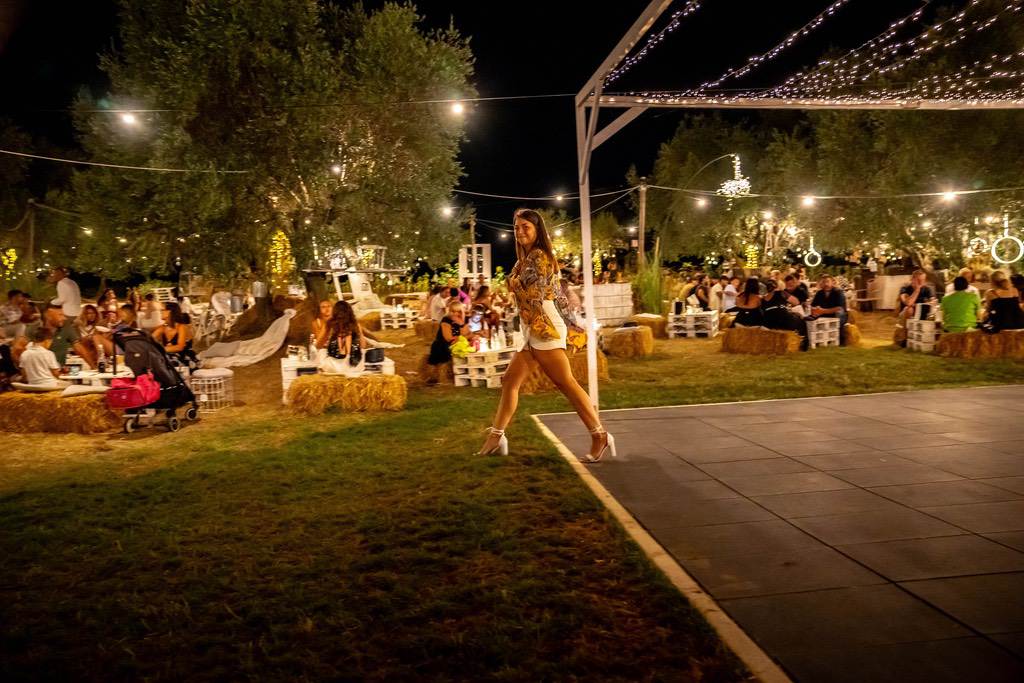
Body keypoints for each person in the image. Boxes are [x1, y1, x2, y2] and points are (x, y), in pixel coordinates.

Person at [476, 208, 613, 463]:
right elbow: (558, 294)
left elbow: (536, 294)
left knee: (566, 383)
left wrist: (513, 285)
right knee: (510, 381)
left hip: (544, 326)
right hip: (533, 326)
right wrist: (572, 322)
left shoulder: (539, 256)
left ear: (538, 230)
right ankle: (496, 436)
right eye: (517, 227)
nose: (520, 232)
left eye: (525, 227)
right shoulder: (523, 260)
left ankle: (600, 435)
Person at [319, 300, 366, 376]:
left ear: (334, 312)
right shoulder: (356, 324)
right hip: (356, 367)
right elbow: (363, 346)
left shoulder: (330, 324)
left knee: (322, 351)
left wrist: (327, 344)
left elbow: (318, 344)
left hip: (335, 367)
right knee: (362, 351)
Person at [427, 299, 468, 376]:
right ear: (449, 311)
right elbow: (448, 338)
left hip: (456, 343)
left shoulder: (463, 320)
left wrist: (461, 324)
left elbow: (467, 335)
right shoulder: (446, 320)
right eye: (453, 311)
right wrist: (460, 338)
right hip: (443, 344)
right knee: (449, 349)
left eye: (458, 311)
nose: (455, 314)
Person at [152, 302, 198, 369]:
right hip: (172, 357)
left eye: (162, 310)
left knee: (166, 363)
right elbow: (149, 339)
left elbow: (179, 347)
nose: (160, 312)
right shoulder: (162, 328)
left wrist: (160, 349)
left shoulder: (181, 327)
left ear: (169, 312)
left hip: (185, 357)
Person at [811, 274, 848, 342]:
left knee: (839, 313)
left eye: (827, 281)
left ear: (832, 282)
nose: (826, 284)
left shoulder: (838, 292)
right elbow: (813, 306)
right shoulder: (819, 293)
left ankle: (840, 338)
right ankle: (814, 338)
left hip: (836, 314)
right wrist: (815, 310)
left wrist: (822, 311)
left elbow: (839, 308)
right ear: (820, 283)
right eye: (823, 282)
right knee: (809, 317)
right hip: (824, 315)